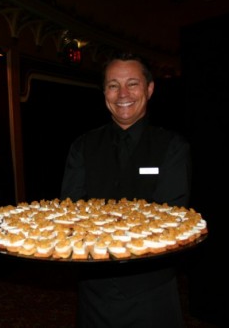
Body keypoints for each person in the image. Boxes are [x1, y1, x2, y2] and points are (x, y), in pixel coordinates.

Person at [60, 52, 191, 328]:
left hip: (151, 289)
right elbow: (69, 213)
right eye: (113, 85)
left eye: (132, 83)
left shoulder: (173, 147)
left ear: (149, 89)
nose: (122, 94)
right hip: (95, 287)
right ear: (104, 92)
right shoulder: (82, 146)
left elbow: (170, 218)